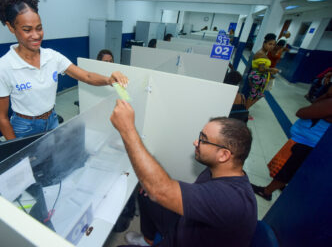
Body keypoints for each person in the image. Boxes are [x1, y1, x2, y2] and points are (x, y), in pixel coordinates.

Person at [0, 0, 128, 140]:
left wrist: (109, 80)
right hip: (25, 127)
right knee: (31, 164)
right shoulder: (2, 67)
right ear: (11, 27)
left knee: (54, 161)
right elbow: (1, 117)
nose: (36, 35)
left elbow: (87, 76)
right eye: (27, 30)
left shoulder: (52, 57)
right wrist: (14, 149)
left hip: (52, 120)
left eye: (39, 28)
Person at [110, 103, 257, 247]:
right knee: (146, 193)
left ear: (224, 155)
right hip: (187, 225)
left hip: (183, 240)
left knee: (155, 191)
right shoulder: (219, 171)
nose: (195, 142)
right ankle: (148, 240)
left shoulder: (229, 200)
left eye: (203, 140)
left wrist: (127, 130)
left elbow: (160, 191)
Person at [251, 89, 332, 201]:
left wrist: (323, 100)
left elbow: (301, 112)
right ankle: (280, 184)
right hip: (307, 140)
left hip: (306, 142)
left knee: (287, 168)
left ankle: (267, 191)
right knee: (287, 166)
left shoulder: (330, 103)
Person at [246, 33, 279, 109]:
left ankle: (246, 109)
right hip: (258, 77)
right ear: (264, 43)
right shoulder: (261, 54)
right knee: (253, 95)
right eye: (270, 44)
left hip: (260, 77)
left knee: (257, 95)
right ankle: (245, 111)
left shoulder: (264, 53)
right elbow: (261, 68)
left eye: (273, 45)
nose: (271, 46)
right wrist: (271, 69)